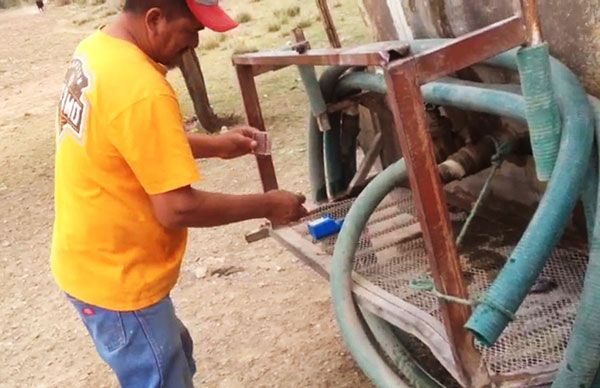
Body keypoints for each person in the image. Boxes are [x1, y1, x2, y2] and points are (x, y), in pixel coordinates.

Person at [51, 0, 307, 386]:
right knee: (161, 372)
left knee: (174, 356)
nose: (195, 45)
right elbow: (177, 209)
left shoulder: (98, 48)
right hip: (119, 278)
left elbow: (130, 138)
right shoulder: (141, 87)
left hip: (90, 259)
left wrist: (215, 145)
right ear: (154, 19)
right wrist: (269, 204)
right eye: (191, 32)